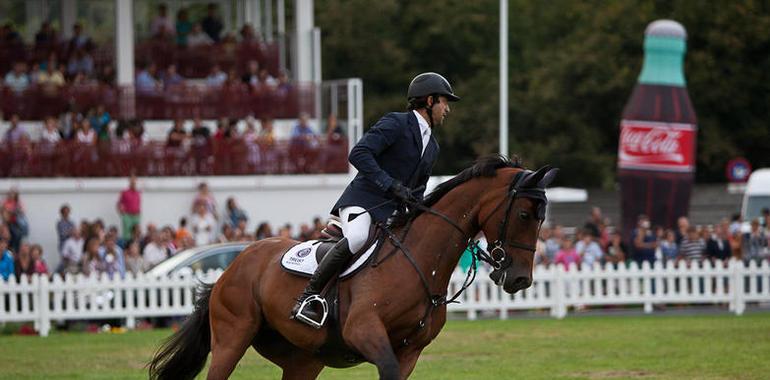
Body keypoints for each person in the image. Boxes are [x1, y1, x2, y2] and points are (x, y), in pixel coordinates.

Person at [291, 72, 459, 326]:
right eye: (444, 102)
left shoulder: (432, 146)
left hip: (392, 212)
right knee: (357, 237)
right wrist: (389, 184)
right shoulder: (397, 123)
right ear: (429, 100)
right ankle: (309, 297)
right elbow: (359, 153)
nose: (447, 109)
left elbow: (418, 190)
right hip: (364, 202)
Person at [117, 175, 141, 241]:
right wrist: (122, 213)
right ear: (129, 182)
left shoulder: (138, 192)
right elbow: (119, 203)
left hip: (136, 215)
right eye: (132, 181)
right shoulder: (125, 192)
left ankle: (136, 244)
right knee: (127, 233)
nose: (133, 183)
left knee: (136, 231)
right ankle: (127, 244)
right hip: (127, 215)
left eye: (134, 182)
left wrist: (139, 213)